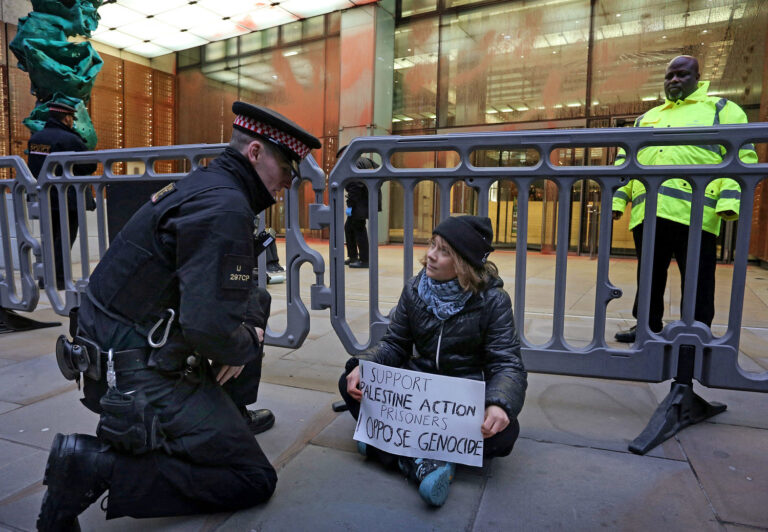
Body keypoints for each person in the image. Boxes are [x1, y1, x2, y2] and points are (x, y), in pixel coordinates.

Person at [37, 102, 321, 530]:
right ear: (256, 152)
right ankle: (94, 466)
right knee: (253, 478)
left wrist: (240, 333)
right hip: (136, 377)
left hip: (114, 352)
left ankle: (226, 418)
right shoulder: (225, 206)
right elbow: (209, 330)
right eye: (286, 167)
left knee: (254, 301)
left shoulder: (208, 184)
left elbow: (226, 294)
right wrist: (248, 342)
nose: (288, 181)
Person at [338, 215, 527, 507]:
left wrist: (499, 403)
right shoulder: (415, 289)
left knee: (505, 434)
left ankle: (390, 449)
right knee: (350, 381)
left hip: (461, 401)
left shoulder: (493, 301)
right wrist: (364, 365)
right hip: (418, 396)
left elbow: (506, 363)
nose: (430, 256)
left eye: (444, 251)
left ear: (463, 262)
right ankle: (422, 460)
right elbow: (395, 343)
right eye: (432, 245)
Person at [612, 55, 757, 343]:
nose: (674, 80)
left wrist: (728, 202)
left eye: (682, 75)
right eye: (669, 76)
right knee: (649, 275)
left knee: (699, 278)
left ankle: (697, 330)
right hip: (649, 211)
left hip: (696, 213)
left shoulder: (722, 109)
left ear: (698, 77)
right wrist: (618, 201)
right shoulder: (647, 118)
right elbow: (625, 162)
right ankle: (646, 327)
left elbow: (742, 157)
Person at [27, 102, 97, 290]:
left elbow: (34, 166)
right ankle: (59, 279)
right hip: (67, 198)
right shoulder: (70, 139)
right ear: (66, 118)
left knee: (48, 237)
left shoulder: (37, 138)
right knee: (64, 239)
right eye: (72, 118)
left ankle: (45, 278)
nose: (73, 122)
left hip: (44, 195)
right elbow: (90, 165)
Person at [338, 146, 380, 268]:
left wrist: (350, 205)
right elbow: (380, 175)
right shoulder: (368, 161)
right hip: (368, 200)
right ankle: (353, 257)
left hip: (359, 203)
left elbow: (355, 186)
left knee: (358, 228)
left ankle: (364, 260)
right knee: (349, 227)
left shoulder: (353, 163)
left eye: (341, 157)